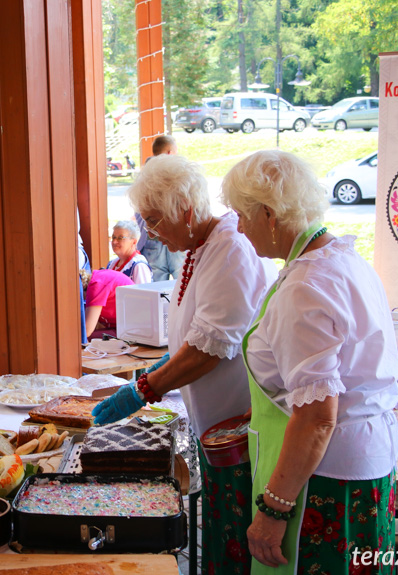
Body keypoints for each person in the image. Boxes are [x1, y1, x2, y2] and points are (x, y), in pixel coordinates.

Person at [92, 154, 275, 574]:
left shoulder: (230, 249)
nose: (150, 231)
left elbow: (210, 348)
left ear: (187, 212)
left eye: (155, 220)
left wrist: (143, 389)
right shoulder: (198, 247)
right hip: (214, 423)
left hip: (238, 428)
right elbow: (192, 337)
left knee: (237, 540)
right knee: (219, 533)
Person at [222, 150, 398, 574]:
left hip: (327, 476)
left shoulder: (306, 286)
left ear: (268, 214)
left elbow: (318, 417)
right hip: (366, 457)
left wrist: (274, 509)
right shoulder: (340, 259)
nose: (240, 229)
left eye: (242, 217)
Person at [137, 135, 185, 281]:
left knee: (154, 287)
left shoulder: (143, 174)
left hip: (151, 236)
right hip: (175, 234)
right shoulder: (176, 173)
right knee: (182, 283)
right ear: (170, 152)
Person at [80, 268, 133, 338]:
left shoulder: (97, 284)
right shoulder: (97, 277)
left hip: (133, 330)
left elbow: (86, 331)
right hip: (122, 328)